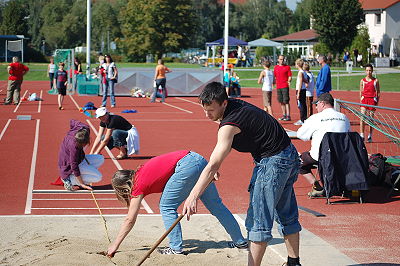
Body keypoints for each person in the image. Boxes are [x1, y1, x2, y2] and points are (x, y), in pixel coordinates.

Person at [182, 82, 302, 266]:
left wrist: (193, 196)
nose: (208, 115)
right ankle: (294, 263)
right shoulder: (236, 106)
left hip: (274, 163)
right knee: (287, 215)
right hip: (288, 155)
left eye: (211, 110)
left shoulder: (229, 125)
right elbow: (227, 149)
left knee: (258, 221)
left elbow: (213, 163)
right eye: (205, 110)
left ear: (223, 103)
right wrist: (215, 167)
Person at [106, 150, 247, 257]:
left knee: (166, 206)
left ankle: (175, 248)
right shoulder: (142, 170)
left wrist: (115, 245)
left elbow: (130, 219)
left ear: (124, 186)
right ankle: (240, 242)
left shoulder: (137, 185)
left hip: (187, 165)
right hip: (197, 159)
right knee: (216, 206)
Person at [297, 93, 350, 197]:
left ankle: (317, 186)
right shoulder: (344, 118)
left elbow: (301, 135)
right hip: (342, 156)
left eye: (316, 105)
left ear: (322, 104)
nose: (316, 107)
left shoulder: (316, 118)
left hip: (322, 156)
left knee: (297, 161)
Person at [58, 119, 104, 191]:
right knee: (98, 177)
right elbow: (74, 165)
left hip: (79, 158)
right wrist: (82, 184)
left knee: (100, 159)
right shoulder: (74, 146)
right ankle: (69, 179)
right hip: (68, 165)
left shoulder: (84, 128)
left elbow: (72, 121)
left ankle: (81, 175)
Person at [359, 64, 380, 143]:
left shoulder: (376, 81)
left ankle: (370, 135)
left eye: (370, 70)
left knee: (371, 119)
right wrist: (361, 101)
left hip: (372, 101)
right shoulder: (362, 81)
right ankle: (362, 135)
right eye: (367, 70)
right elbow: (361, 92)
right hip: (364, 100)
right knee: (362, 118)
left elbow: (378, 92)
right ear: (365, 71)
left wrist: (376, 102)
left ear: (372, 71)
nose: (368, 72)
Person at [274, 55, 292, 121]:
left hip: (285, 86)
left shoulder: (287, 67)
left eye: (283, 59)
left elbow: (290, 76)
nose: (282, 60)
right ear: (278, 60)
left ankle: (288, 115)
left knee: (286, 101)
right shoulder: (276, 67)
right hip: (278, 86)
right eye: (280, 59)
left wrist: (289, 81)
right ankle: (284, 114)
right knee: (281, 101)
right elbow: (275, 76)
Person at [294, 59, 308, 126]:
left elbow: (300, 82)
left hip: (300, 90)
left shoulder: (300, 72)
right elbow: (305, 80)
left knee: (301, 105)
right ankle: (304, 118)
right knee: (303, 104)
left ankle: (302, 119)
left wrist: (298, 93)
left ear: (298, 65)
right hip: (303, 89)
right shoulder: (304, 72)